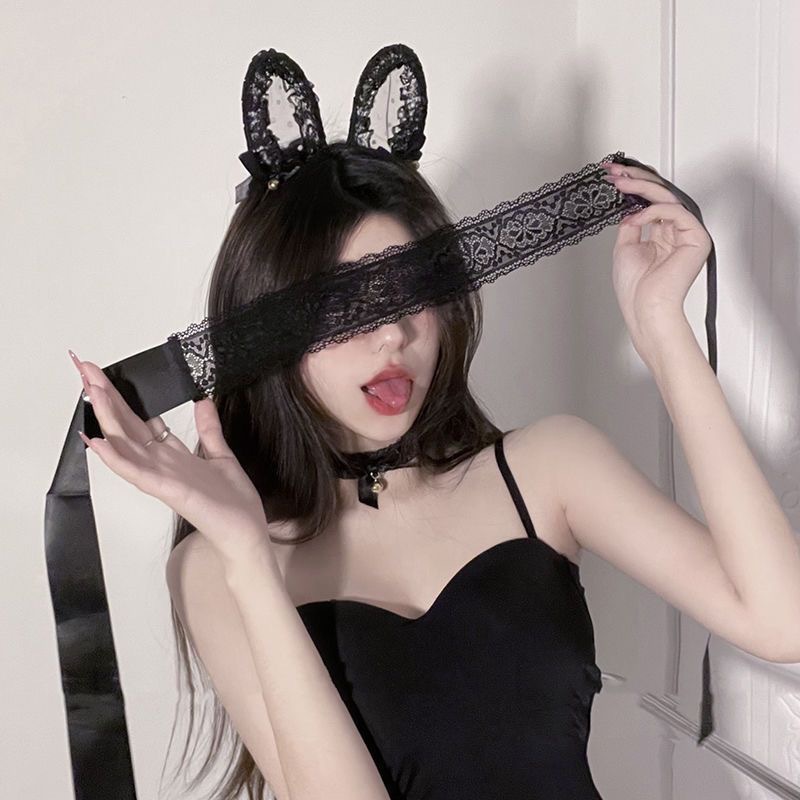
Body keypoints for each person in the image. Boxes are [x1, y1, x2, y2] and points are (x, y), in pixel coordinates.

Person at [68, 72, 800, 800]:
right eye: (346, 305)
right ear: (270, 337)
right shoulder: (217, 565)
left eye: (415, 292)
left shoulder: (548, 468)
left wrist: (663, 331)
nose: (393, 334)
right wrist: (248, 555)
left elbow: (781, 623)